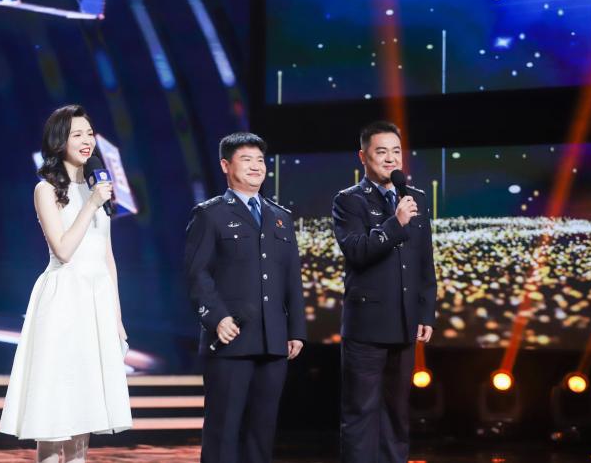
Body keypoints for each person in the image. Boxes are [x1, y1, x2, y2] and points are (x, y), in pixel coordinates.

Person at [0, 105, 132, 463]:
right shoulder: (46, 190)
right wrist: (91, 203)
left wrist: (117, 318)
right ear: (59, 142)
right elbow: (63, 249)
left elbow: (107, 257)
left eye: (90, 133)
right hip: (63, 300)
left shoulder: (97, 188)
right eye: (77, 134)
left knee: (86, 406)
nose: (87, 141)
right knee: (54, 406)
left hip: (96, 301)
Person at [184, 132, 307, 463]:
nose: (256, 166)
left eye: (260, 160)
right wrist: (217, 318)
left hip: (273, 342)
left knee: (261, 432)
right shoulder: (209, 214)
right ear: (226, 165)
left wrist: (296, 330)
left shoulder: (280, 216)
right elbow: (198, 273)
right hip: (230, 339)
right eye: (246, 159)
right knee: (223, 431)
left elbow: (291, 278)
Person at [332, 121, 436, 463]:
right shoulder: (349, 201)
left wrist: (425, 312)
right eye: (381, 152)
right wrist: (396, 223)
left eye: (396, 151)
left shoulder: (416, 198)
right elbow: (357, 251)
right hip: (367, 326)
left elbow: (424, 261)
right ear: (363, 156)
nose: (391, 159)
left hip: (405, 324)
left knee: (396, 413)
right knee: (361, 413)